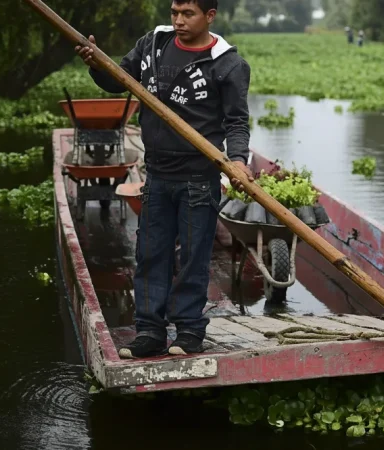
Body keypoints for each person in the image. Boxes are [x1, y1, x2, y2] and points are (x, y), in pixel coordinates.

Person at [75, 0, 254, 358]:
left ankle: (188, 332)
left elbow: (236, 121)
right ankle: (150, 332)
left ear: (210, 16)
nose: (178, 21)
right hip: (157, 173)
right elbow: (118, 79)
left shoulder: (228, 63)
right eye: (174, 13)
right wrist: (96, 64)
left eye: (188, 14)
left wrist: (237, 160)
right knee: (150, 254)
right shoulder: (153, 44)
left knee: (193, 257)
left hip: (199, 179)